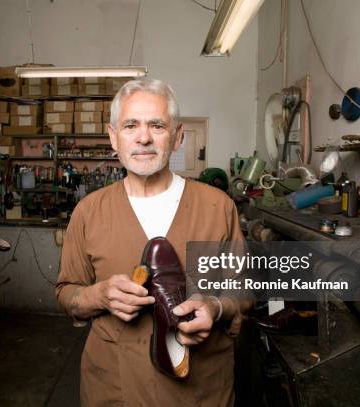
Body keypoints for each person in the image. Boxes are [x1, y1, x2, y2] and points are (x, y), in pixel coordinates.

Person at [55, 78, 250, 406]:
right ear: (113, 137)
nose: (143, 137)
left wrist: (216, 307)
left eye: (157, 125)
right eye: (130, 125)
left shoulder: (217, 207)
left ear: (178, 136)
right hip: (115, 388)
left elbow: (243, 289)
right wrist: (98, 294)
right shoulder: (89, 212)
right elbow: (66, 293)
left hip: (200, 390)